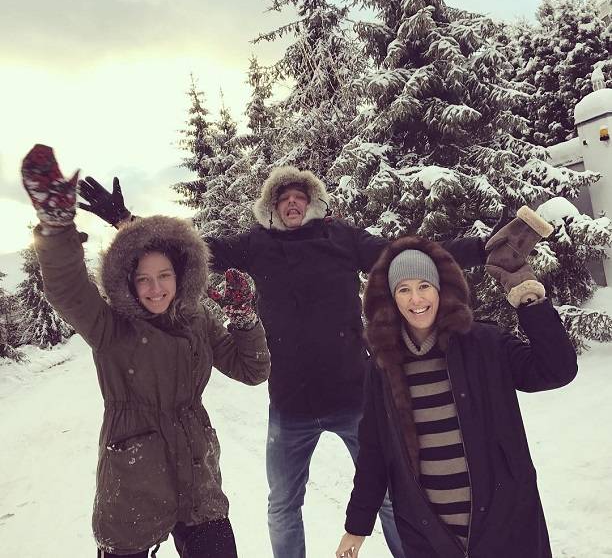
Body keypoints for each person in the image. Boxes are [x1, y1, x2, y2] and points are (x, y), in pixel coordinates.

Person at [77, 165, 548, 558]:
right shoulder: (257, 244)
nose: (292, 203)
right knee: (283, 504)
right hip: (290, 404)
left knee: (389, 496)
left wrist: (481, 249)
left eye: (300, 197)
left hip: (353, 395)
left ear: (313, 203)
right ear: (271, 207)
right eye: (283, 198)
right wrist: (127, 222)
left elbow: (402, 254)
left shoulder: (341, 238)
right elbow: (189, 250)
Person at [21, 144, 271, 558]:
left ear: (181, 276)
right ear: (128, 282)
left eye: (165, 275)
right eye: (143, 279)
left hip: (199, 484)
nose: (156, 288)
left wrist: (243, 317)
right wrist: (56, 228)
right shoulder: (110, 327)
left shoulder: (196, 320)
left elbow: (252, 370)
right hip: (133, 488)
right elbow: (66, 288)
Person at [334, 235, 577, 558]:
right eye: (403, 289)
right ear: (391, 298)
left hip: (506, 526)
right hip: (430, 537)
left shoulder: (484, 344)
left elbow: (556, 370)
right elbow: (374, 453)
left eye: (424, 285)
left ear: (440, 288)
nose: (416, 298)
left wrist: (528, 296)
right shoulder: (382, 366)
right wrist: (357, 526)